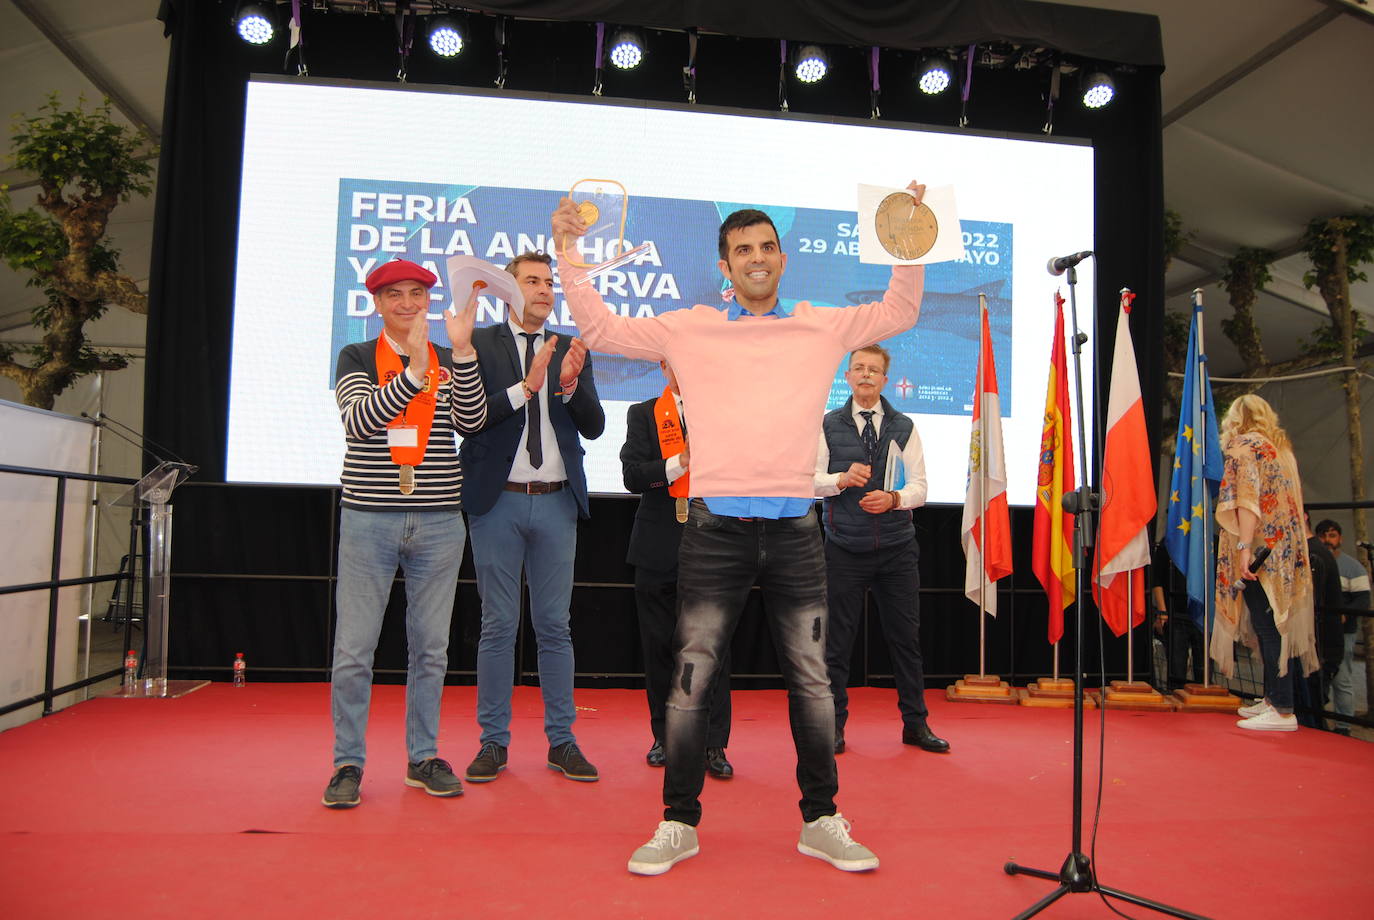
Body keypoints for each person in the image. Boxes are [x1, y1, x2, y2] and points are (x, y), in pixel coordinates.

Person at [553, 182, 927, 875]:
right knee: (690, 678)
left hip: (795, 535)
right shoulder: (689, 327)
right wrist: (570, 253)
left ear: (783, 258)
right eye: (741, 251)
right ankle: (678, 820)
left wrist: (907, 238)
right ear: (725, 268)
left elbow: (902, 308)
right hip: (715, 531)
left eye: (766, 247)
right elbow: (601, 330)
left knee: (813, 680)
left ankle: (821, 818)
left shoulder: (821, 324)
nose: (756, 258)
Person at [323, 258, 488, 808]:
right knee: (354, 649)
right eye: (394, 294)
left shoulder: (445, 358)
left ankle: (423, 756)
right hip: (370, 518)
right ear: (377, 303)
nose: (408, 303)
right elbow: (360, 423)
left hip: (440, 519)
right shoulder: (356, 356)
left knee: (432, 649)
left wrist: (461, 354)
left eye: (416, 293)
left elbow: (472, 420)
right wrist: (414, 374)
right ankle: (348, 763)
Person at [459, 251, 606, 783]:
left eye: (549, 282)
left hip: (556, 500)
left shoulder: (570, 346)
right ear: (507, 290)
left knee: (555, 626)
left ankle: (562, 742)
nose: (545, 290)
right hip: (497, 500)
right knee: (498, 625)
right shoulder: (478, 345)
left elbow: (593, 427)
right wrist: (529, 384)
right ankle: (493, 743)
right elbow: (469, 420)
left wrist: (567, 385)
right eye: (532, 282)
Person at [813, 344, 947, 755]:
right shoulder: (826, 424)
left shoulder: (904, 425)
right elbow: (807, 481)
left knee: (906, 640)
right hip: (843, 549)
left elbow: (920, 487)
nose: (866, 375)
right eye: (859, 368)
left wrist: (893, 500)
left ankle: (915, 724)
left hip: (895, 550)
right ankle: (833, 728)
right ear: (848, 377)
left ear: (885, 379)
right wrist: (839, 479)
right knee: (836, 644)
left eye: (874, 369)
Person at [621, 361, 733, 778]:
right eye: (675, 361)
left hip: (714, 543)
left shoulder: (723, 413)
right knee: (659, 647)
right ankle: (664, 736)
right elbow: (632, 475)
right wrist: (677, 463)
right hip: (656, 547)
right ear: (664, 364)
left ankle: (713, 745)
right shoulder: (643, 412)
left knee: (715, 649)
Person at [1212, 394, 1318, 732]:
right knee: (1269, 624)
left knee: (1268, 626)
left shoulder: (1244, 447)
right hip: (1283, 552)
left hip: (1260, 552)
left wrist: (1244, 548)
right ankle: (1274, 698)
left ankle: (1283, 708)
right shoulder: (1278, 450)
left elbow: (1246, 500)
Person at [1313, 518, 1368, 733]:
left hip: (1343, 632)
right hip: (1318, 630)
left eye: (1332, 535)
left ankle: (1343, 725)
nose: (1328, 540)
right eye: (1323, 535)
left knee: (1342, 677)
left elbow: (1363, 599)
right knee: (1317, 676)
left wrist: (1344, 613)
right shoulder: (1314, 561)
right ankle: (1318, 718)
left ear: (1340, 538)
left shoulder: (1353, 567)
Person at [1150, 541, 1203, 690]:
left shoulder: (1207, 541)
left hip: (1202, 614)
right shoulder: (1168, 543)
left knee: (1204, 668)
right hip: (1174, 614)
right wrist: (1163, 612)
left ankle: (1202, 699)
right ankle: (1175, 695)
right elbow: (1157, 580)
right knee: (1176, 667)